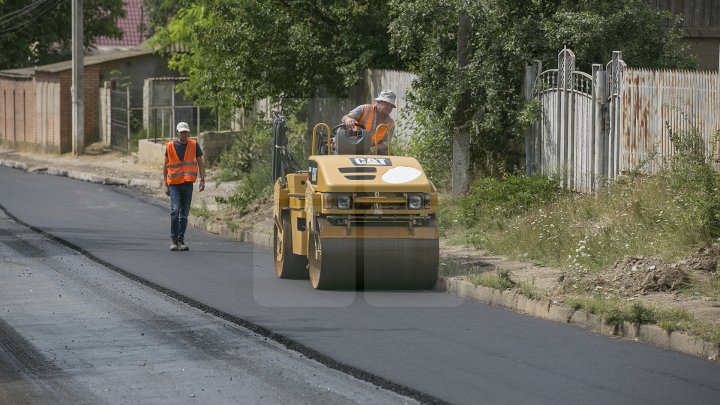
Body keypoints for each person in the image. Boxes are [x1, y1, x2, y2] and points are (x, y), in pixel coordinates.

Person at [163, 122, 205, 251]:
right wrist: (166, 185)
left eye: (185, 131)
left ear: (188, 132)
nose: (183, 134)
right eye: (181, 132)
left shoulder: (194, 144)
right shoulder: (170, 146)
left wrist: (203, 179)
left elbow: (200, 163)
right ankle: (174, 239)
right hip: (174, 184)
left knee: (184, 214)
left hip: (187, 184)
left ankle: (181, 239)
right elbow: (165, 167)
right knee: (175, 210)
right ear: (177, 132)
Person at [341, 89, 396, 155]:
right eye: (387, 104)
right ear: (378, 102)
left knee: (388, 153)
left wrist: (374, 148)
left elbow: (386, 143)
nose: (389, 107)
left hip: (371, 150)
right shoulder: (364, 109)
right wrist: (348, 120)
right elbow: (345, 117)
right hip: (354, 144)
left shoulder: (391, 123)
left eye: (391, 106)